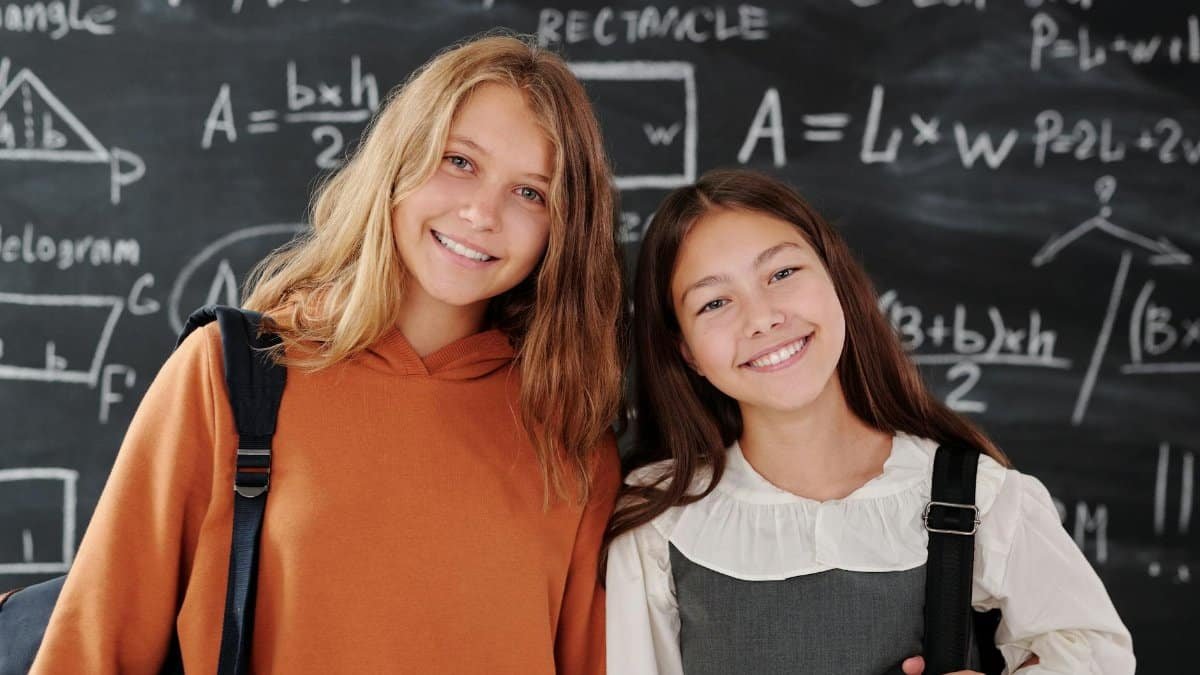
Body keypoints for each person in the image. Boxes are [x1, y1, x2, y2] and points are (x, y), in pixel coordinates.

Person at [32, 34, 624, 674]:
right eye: (459, 161)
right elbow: (89, 653)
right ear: (398, 160)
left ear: (563, 232)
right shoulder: (232, 377)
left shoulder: (570, 438)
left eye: (531, 193)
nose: (483, 212)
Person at [604, 169, 1134, 675]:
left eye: (782, 273)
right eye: (715, 302)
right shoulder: (662, 520)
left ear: (835, 276)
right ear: (687, 352)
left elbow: (1094, 652)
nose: (762, 317)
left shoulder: (974, 498)